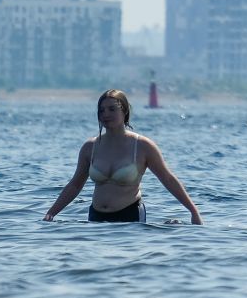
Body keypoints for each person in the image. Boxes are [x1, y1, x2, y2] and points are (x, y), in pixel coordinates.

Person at [44, 89, 203, 224]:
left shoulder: (142, 146)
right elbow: (75, 185)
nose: (106, 114)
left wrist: (194, 212)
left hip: (131, 216)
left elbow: (168, 179)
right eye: (102, 110)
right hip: (96, 217)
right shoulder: (90, 147)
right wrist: (50, 214)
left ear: (125, 111)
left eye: (112, 109)